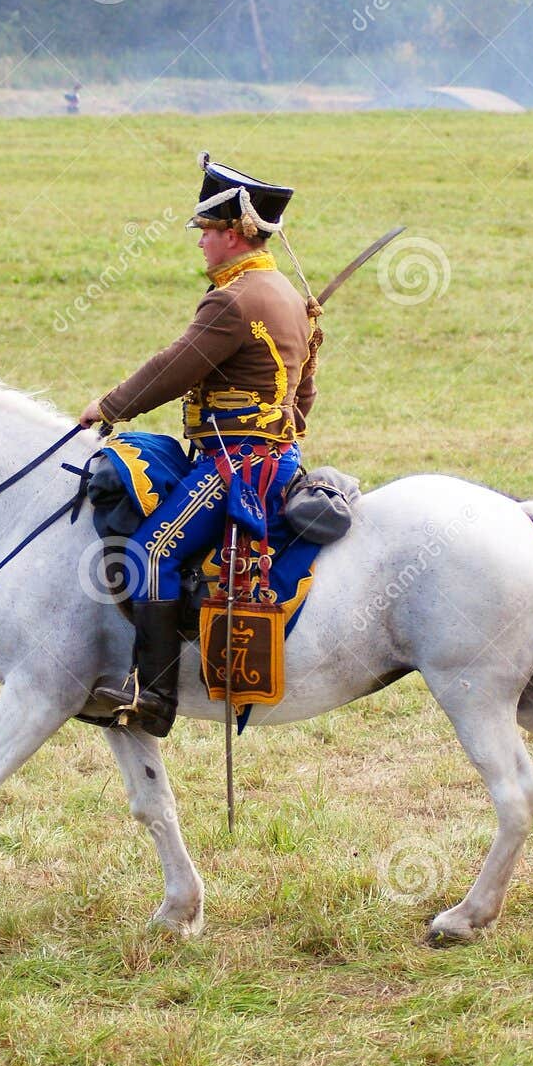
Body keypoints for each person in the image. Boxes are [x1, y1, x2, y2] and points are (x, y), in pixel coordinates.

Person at [79, 156, 320, 735]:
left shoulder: (233, 300)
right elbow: (304, 388)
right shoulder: (284, 292)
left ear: (235, 233)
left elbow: (174, 368)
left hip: (237, 464)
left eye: (208, 231)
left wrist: (109, 407)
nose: (202, 243)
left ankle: (155, 698)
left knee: (151, 554)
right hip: (277, 456)